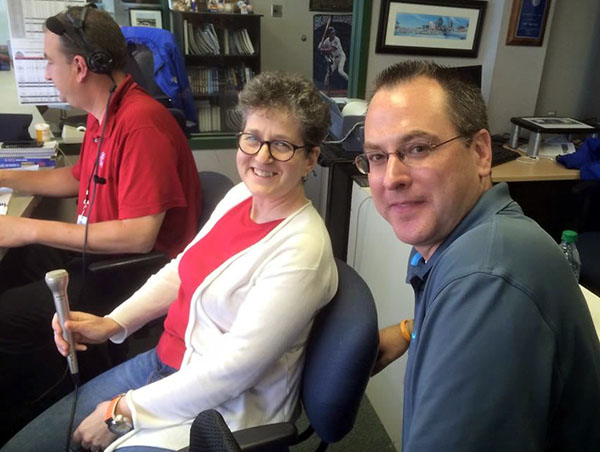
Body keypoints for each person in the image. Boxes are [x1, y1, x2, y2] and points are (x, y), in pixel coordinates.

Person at [3, 71, 338, 452]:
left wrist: (122, 411)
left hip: (221, 410)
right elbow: (181, 270)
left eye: (281, 145)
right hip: (164, 363)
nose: (261, 156)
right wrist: (114, 322)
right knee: (30, 445)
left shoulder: (302, 250)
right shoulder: (241, 197)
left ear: (311, 157)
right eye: (252, 138)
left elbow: (233, 371)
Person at [356, 61, 600, 450]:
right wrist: (412, 331)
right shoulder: (466, 241)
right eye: (377, 157)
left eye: (417, 148)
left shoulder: (487, 278)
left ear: (481, 152)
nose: (391, 178)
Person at [0, 5, 200, 445]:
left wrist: (28, 228)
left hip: (133, 269)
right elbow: (78, 178)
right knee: (13, 267)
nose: (48, 73)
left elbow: (138, 235)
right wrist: (4, 175)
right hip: (105, 253)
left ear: (78, 66)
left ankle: (34, 417)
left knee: (8, 317)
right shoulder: (103, 112)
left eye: (50, 62)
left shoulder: (142, 123)